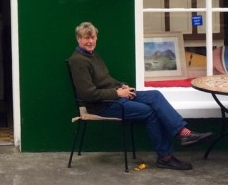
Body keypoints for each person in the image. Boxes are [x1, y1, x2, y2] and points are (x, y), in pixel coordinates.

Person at [68, 21, 212, 170]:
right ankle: (166, 157)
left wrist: (121, 86)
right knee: (150, 112)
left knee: (155, 95)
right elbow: (88, 94)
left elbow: (106, 80)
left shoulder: (92, 55)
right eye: (86, 38)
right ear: (78, 39)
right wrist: (117, 93)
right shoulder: (78, 61)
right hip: (101, 105)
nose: (90, 41)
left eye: (93, 37)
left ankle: (183, 133)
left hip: (113, 97)